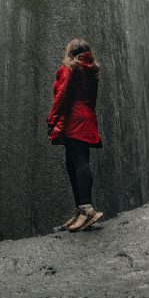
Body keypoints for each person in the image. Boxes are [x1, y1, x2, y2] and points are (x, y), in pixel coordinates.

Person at [47, 37, 103, 231]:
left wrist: (52, 120)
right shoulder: (92, 69)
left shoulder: (70, 68)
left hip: (74, 119)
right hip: (86, 118)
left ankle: (87, 209)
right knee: (74, 163)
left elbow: (62, 96)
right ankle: (81, 209)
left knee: (78, 162)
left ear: (70, 51)